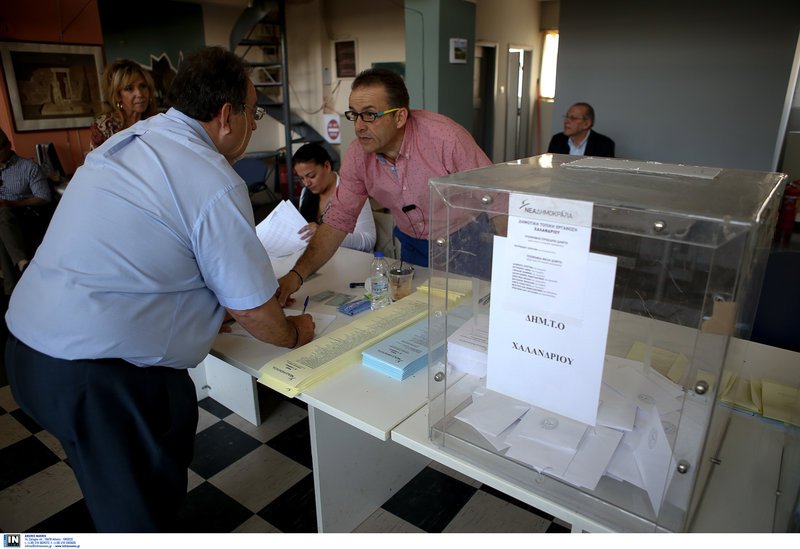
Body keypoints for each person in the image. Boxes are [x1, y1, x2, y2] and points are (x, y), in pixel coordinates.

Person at [4, 46, 315, 532]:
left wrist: (224, 306)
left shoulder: (130, 141)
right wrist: (294, 332)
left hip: (29, 354)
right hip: (100, 378)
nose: (255, 124)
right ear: (227, 115)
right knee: (137, 515)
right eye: (254, 113)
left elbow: (147, 256)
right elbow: (258, 315)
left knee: (115, 489)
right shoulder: (213, 178)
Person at [277, 68, 495, 304]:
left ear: (399, 117)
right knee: (416, 308)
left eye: (370, 115)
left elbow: (497, 200)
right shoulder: (358, 156)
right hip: (413, 242)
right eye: (354, 115)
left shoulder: (446, 139)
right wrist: (296, 276)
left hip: (464, 241)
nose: (359, 126)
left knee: (469, 311)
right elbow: (336, 222)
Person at [294, 142, 376, 253]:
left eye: (311, 176)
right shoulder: (306, 193)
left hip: (351, 260)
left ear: (327, 166)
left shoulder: (353, 191)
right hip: (319, 258)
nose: (306, 183)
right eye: (301, 179)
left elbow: (368, 240)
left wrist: (325, 235)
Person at [0, 128, 51, 295]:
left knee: (4, 214)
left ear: (8, 146)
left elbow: (44, 197)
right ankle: (20, 266)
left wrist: (13, 203)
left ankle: (12, 289)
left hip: (24, 213)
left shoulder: (28, 167)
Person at [89, 59, 158, 150]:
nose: (139, 94)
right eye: (129, 88)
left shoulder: (157, 120)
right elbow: (96, 162)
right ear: (118, 95)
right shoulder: (105, 126)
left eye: (143, 86)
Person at [547, 102, 615, 158]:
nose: (566, 121)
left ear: (586, 124)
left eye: (573, 118)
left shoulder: (604, 145)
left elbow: (604, 173)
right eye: (566, 117)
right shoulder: (557, 140)